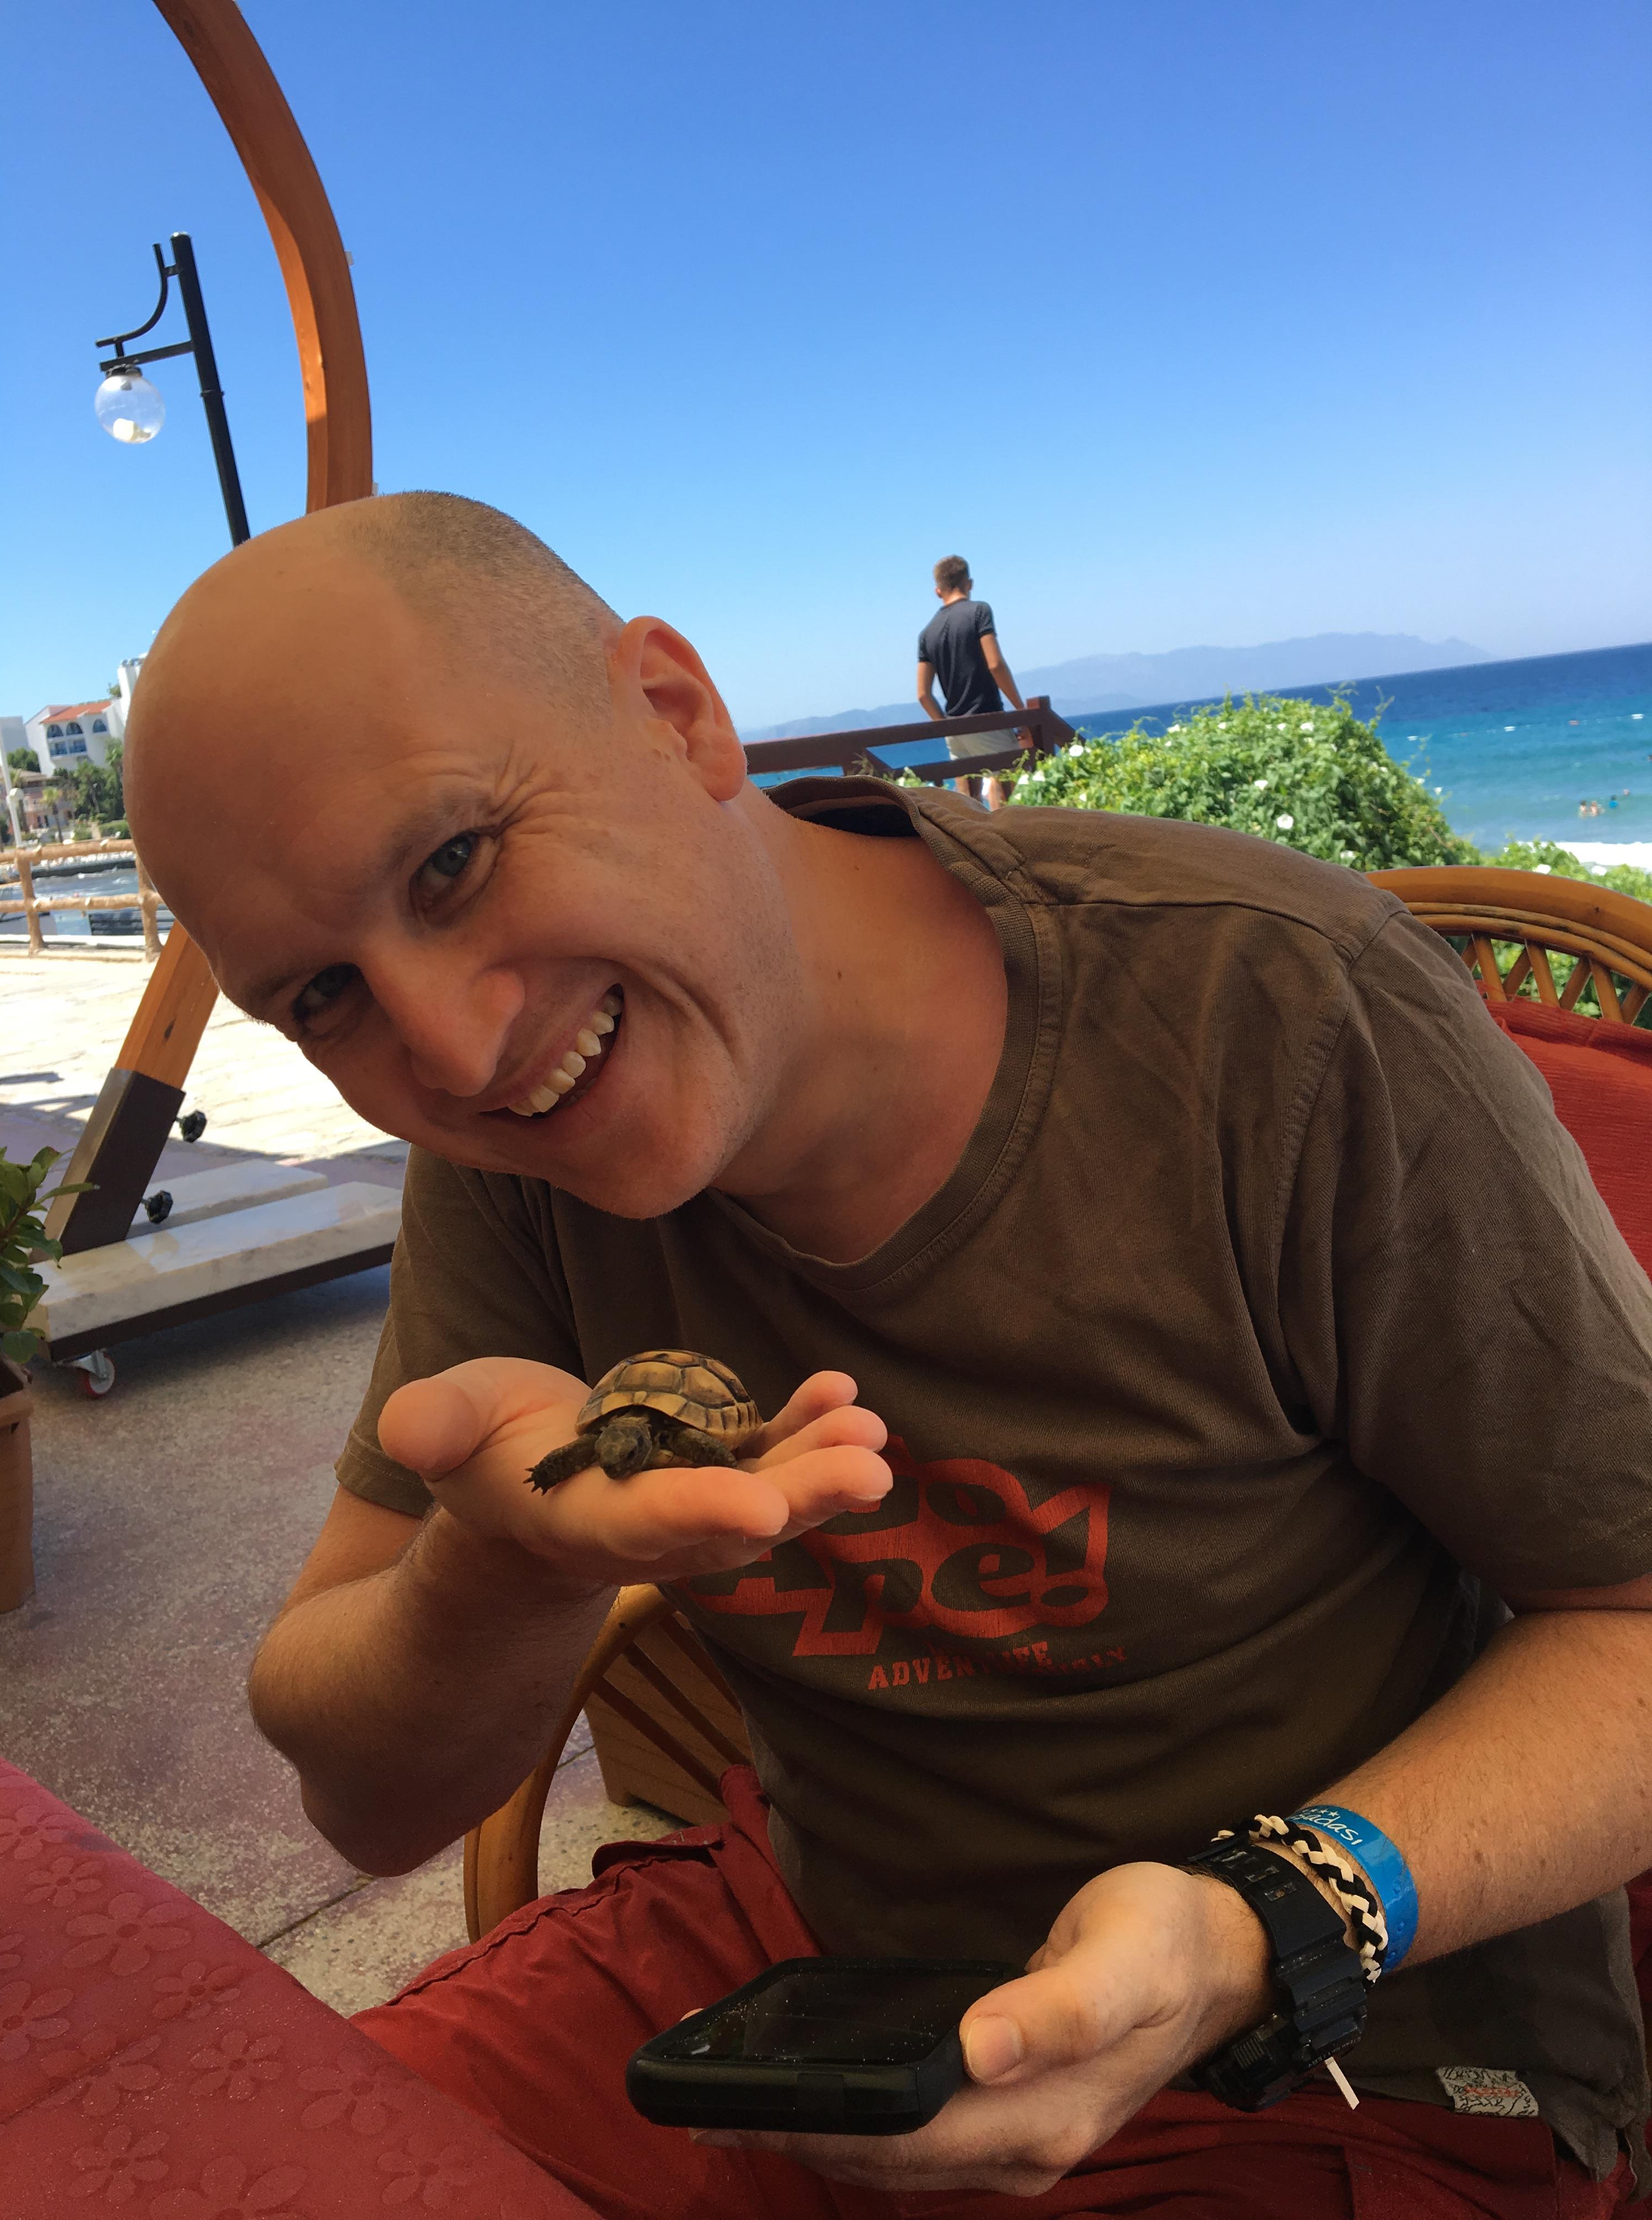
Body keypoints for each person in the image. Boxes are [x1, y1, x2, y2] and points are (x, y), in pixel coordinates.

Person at [125, 493, 1652, 2220]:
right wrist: (507, 1561)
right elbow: (365, 1800)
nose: (457, 1051)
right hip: (819, 1979)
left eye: (455, 863)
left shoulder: (1275, 1015)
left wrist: (1263, 1920)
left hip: (1342, 2040)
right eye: (322, 996)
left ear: (674, 713)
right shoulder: (518, 1149)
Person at [915, 557, 1028, 810]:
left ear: (938, 591)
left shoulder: (927, 634)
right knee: (1005, 791)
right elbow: (995, 665)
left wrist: (946, 728)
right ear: (970, 584)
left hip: (954, 725)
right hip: (987, 717)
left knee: (966, 802)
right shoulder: (979, 612)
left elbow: (923, 694)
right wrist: (1021, 712)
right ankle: (1002, 836)